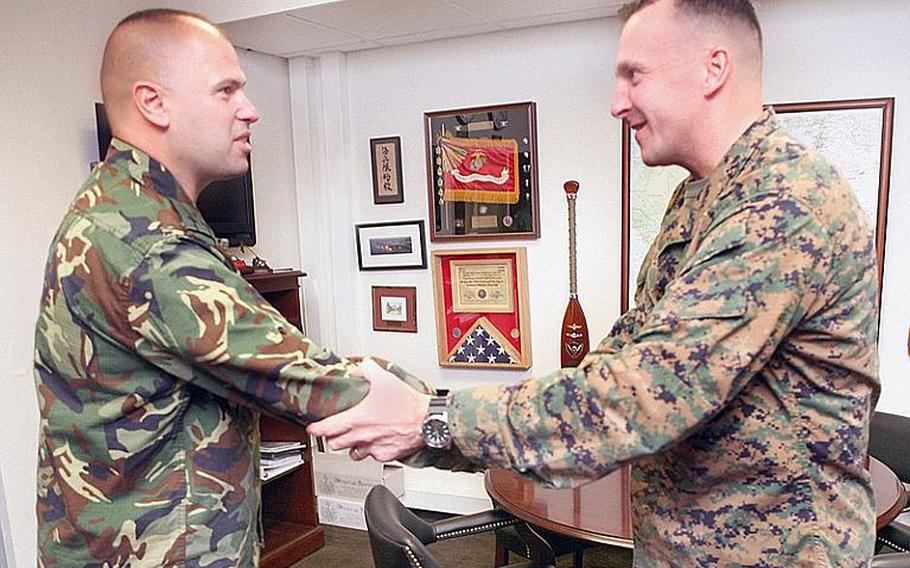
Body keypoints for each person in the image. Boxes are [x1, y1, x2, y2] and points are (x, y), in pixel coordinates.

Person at [309, 0, 881, 565]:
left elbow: (642, 396)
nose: (617, 104)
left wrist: (430, 421)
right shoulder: (699, 198)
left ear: (714, 67)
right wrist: (422, 407)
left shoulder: (782, 199)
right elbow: (613, 371)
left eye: (634, 75)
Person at [33, 9, 428, 567]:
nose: (251, 110)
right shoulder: (149, 247)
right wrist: (455, 419)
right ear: (154, 103)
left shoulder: (123, 209)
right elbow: (309, 380)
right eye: (226, 90)